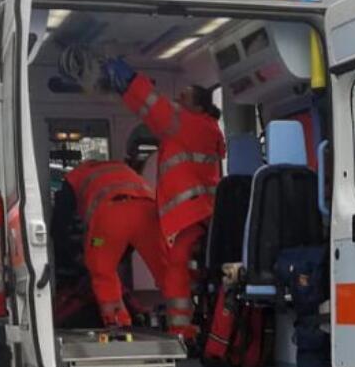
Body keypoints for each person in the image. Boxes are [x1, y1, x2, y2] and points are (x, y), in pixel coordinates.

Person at [105, 58, 226, 341]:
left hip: (188, 214)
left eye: (183, 98)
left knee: (176, 272)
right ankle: (189, 324)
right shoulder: (204, 128)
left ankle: (181, 329)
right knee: (186, 270)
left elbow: (154, 105)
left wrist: (130, 79)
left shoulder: (186, 123)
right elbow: (150, 112)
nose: (177, 100)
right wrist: (125, 91)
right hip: (200, 212)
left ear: (197, 106)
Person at [50, 159, 172, 329]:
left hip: (110, 219)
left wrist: (65, 253)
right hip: (149, 213)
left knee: (102, 271)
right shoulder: (122, 169)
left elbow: (60, 223)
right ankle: (182, 323)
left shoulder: (74, 177)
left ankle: (117, 322)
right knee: (168, 272)